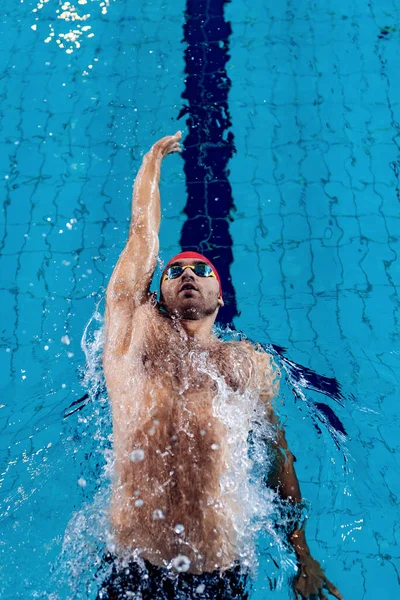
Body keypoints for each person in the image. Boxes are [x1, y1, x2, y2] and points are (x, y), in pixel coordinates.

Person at [97, 132, 342, 600]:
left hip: (220, 575)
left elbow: (277, 460)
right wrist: (151, 161)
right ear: (160, 290)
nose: (187, 273)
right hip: (132, 567)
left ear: (220, 297)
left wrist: (302, 553)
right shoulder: (132, 337)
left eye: (202, 270)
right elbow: (142, 239)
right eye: (175, 270)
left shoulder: (247, 365)